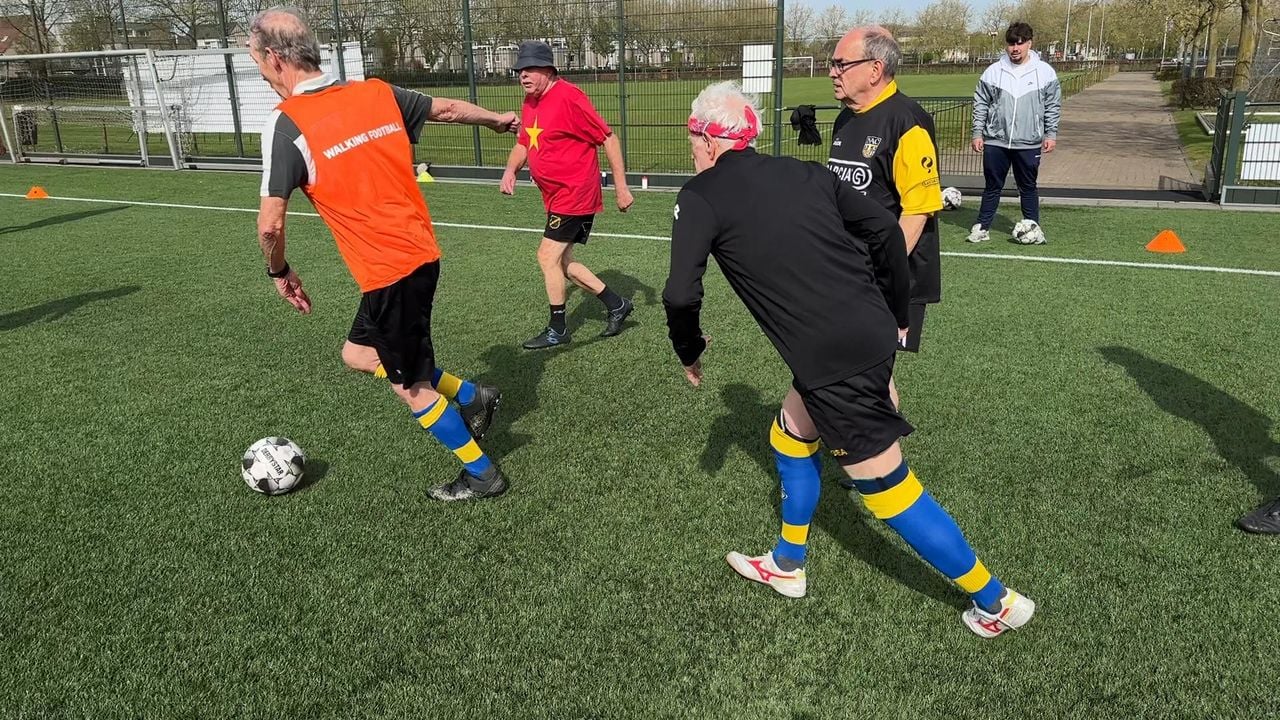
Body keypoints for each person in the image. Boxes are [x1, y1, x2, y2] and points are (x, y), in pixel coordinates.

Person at [663, 81, 1034, 638]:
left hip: (836, 358)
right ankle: (788, 565)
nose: (691, 147)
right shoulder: (807, 172)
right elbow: (887, 230)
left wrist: (689, 350)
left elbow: (679, 295)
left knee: (888, 488)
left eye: (691, 135)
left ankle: (996, 600)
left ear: (708, 139)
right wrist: (893, 307)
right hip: (871, 330)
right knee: (790, 434)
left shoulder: (700, 196)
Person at [248, 8, 516, 502]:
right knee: (357, 354)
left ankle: (482, 474)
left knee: (409, 387)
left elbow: (270, 223)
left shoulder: (286, 124)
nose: (260, 73)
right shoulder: (375, 93)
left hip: (392, 272)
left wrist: (279, 269)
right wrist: (498, 120)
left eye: (256, 61)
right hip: (418, 257)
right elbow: (451, 110)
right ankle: (475, 396)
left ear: (275, 58)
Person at [827, 26, 943, 403]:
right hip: (848, 273)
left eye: (841, 64)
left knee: (870, 376)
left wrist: (878, 270)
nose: (832, 72)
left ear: (875, 70)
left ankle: (883, 458)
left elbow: (918, 210)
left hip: (885, 279)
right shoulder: (844, 121)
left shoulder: (906, 122)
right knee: (860, 372)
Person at [500, 41, 635, 350]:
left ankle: (558, 328)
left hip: (575, 194)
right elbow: (524, 142)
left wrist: (622, 187)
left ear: (548, 70)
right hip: (555, 196)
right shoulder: (530, 101)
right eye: (520, 70)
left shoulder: (569, 98)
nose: (523, 75)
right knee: (562, 262)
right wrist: (510, 170)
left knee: (546, 256)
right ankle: (617, 305)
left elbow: (608, 138)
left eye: (530, 69)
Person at [968, 21, 1061, 245]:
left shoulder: (1045, 72)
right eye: (1011, 44)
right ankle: (982, 228)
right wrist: (977, 132)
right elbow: (980, 103)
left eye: (1020, 43)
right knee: (992, 186)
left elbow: (1053, 105)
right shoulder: (993, 72)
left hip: (1028, 142)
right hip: (996, 141)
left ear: (1030, 43)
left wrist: (1050, 134)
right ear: (1006, 45)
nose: (1015, 48)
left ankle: (1033, 228)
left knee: (1027, 187)